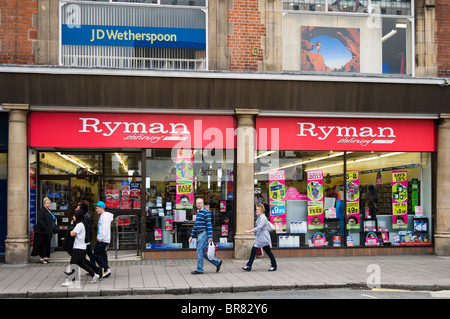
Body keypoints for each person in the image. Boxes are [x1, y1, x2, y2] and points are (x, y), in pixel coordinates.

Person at [62, 209, 101, 287]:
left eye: (74, 216)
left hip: (79, 247)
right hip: (81, 247)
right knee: (82, 263)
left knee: (73, 263)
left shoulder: (80, 225)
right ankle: (94, 275)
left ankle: (70, 281)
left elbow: (72, 233)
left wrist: (71, 225)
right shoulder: (82, 224)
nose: (73, 217)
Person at [188, 198, 222, 275]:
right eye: (197, 203)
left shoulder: (206, 212)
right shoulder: (198, 212)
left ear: (203, 204)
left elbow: (209, 225)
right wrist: (191, 236)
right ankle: (217, 262)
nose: (198, 204)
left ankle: (199, 269)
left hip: (204, 234)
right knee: (202, 252)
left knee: (199, 252)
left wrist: (210, 237)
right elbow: (195, 225)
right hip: (199, 233)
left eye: (200, 203)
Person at [242, 204, 277, 272]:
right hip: (260, 237)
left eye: (258, 209)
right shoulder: (260, 217)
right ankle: (249, 265)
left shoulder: (263, 218)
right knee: (259, 250)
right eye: (256, 209)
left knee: (262, 251)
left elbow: (259, 227)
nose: (257, 211)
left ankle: (274, 265)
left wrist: (250, 231)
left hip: (263, 237)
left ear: (262, 210)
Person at [31, 197, 55, 264]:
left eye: (49, 203)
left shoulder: (49, 211)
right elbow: (40, 221)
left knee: (47, 245)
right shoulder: (41, 211)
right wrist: (46, 228)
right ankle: (42, 258)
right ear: (44, 203)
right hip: (42, 232)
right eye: (47, 203)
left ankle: (46, 257)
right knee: (43, 245)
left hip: (48, 231)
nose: (49, 204)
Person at [94, 201, 114, 278]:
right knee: (103, 254)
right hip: (103, 239)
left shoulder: (105, 217)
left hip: (103, 239)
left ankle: (106, 268)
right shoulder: (103, 216)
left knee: (96, 254)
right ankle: (106, 270)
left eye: (97, 208)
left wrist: (100, 238)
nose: (96, 210)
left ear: (101, 208)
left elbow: (104, 229)